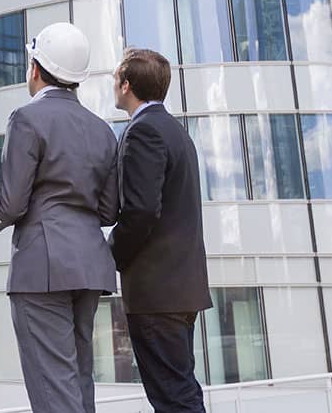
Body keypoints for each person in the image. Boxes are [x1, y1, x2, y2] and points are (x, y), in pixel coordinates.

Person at [0, 22, 119, 413]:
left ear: (36, 68)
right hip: (89, 266)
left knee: (53, 389)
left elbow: (11, 204)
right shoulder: (103, 131)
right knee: (78, 380)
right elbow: (109, 211)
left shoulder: (26, 119)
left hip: (42, 267)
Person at [109, 48, 212, 413]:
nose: (114, 85)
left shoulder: (144, 131)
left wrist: (109, 255)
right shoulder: (176, 131)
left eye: (115, 78)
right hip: (181, 289)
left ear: (126, 84)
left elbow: (140, 212)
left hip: (157, 293)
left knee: (172, 398)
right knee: (182, 390)